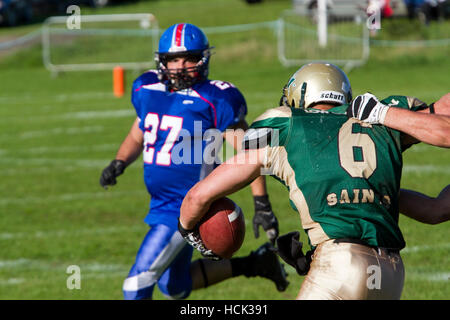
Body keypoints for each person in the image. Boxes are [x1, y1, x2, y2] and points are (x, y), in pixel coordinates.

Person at [178, 62, 450, 299]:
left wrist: (188, 231)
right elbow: (437, 206)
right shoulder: (380, 117)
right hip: (391, 274)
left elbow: (197, 197)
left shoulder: (284, 124)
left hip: (341, 264)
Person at [99, 23, 288, 300]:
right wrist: (119, 162)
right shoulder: (146, 88)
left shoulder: (215, 97)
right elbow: (138, 132)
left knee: (136, 284)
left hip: (185, 206)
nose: (181, 66)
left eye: (189, 58)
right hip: (160, 203)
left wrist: (262, 203)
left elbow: (252, 154)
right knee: (173, 287)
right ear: (162, 61)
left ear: (203, 58)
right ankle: (257, 263)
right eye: (174, 59)